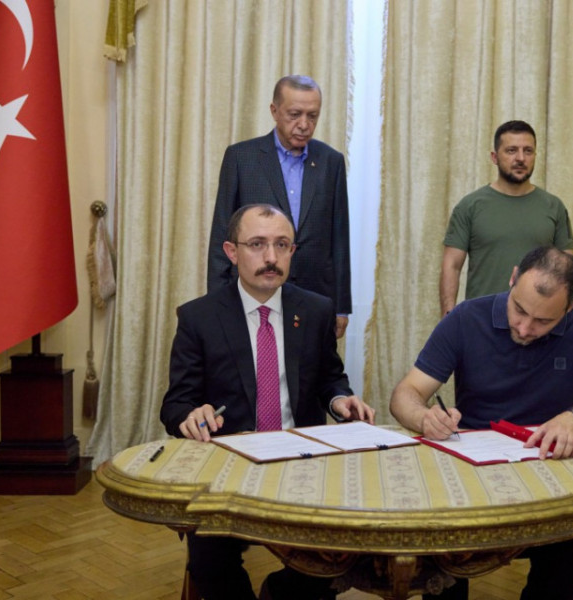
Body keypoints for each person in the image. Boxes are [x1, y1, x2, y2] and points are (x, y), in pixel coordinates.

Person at [392, 246, 573, 600]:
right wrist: (424, 417)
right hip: (472, 474)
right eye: (519, 309)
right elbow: (406, 394)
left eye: (543, 321)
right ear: (513, 278)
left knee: (569, 566)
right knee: (440, 566)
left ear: (571, 306)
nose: (524, 327)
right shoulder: (466, 318)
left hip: (550, 473)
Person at [163, 204, 375, 600]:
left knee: (331, 561)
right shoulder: (199, 317)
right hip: (229, 468)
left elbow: (330, 377)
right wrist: (192, 414)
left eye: (282, 245)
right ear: (232, 251)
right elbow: (175, 404)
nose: (271, 257)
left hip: (303, 464)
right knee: (210, 562)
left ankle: (279, 590)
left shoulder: (316, 310)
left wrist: (340, 401)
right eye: (257, 244)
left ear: (293, 251)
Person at [207, 74, 351, 339]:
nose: (304, 124)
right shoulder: (241, 158)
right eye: (294, 115)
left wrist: (341, 306)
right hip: (253, 291)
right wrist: (217, 301)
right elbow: (221, 235)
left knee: (310, 365)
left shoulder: (331, 162)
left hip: (314, 296)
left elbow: (339, 239)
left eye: (312, 116)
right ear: (274, 111)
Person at [439, 120, 573, 317]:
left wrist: (565, 320)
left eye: (528, 151)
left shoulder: (554, 207)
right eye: (511, 151)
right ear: (494, 157)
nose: (520, 158)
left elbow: (567, 270)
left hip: (536, 321)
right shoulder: (469, 206)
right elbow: (451, 266)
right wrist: (449, 319)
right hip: (482, 320)